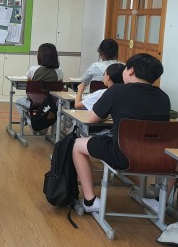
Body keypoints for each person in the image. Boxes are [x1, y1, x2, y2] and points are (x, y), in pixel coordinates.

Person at [72, 53, 170, 213]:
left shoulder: (116, 91)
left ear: (130, 70)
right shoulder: (163, 97)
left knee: (77, 145)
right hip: (158, 158)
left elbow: (92, 118)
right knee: (176, 157)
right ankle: (160, 202)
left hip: (123, 155)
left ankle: (90, 200)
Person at [14, 42, 63, 116]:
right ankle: (52, 121)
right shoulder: (59, 72)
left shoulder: (33, 70)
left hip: (34, 102)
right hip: (52, 103)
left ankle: (30, 120)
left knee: (18, 101)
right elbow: (59, 88)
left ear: (40, 56)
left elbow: (29, 86)